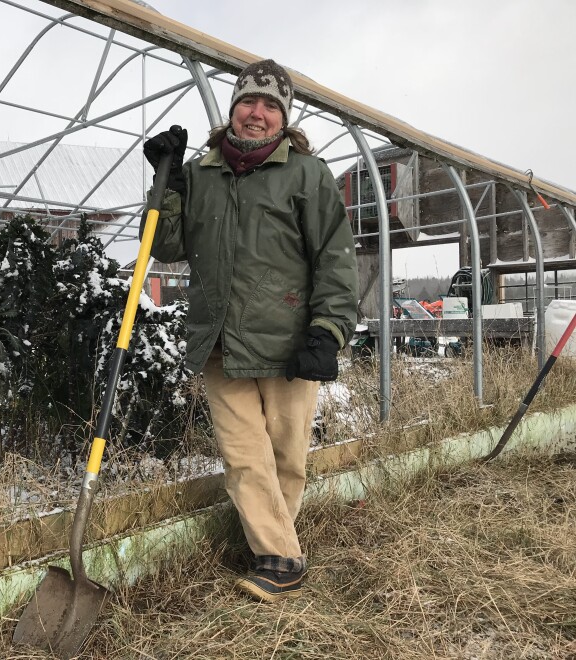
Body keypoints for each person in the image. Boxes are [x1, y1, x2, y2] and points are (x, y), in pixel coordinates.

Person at [142, 59, 358, 603]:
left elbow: (335, 257)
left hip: (288, 342)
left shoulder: (307, 175)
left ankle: (273, 544)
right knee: (243, 455)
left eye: (270, 105)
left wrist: (328, 330)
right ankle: (280, 557)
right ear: (233, 108)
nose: (257, 114)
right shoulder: (200, 174)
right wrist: (164, 179)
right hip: (218, 340)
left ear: (283, 117)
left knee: (286, 454)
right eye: (248, 102)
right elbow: (164, 246)